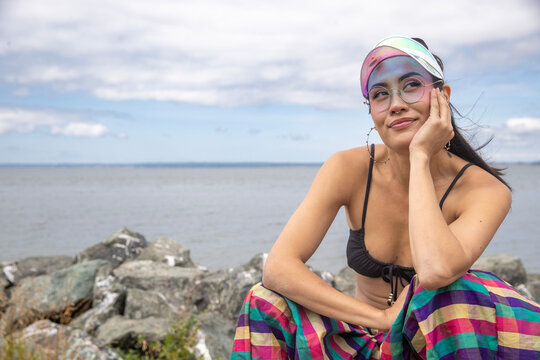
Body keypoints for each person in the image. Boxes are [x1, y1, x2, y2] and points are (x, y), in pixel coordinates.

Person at [231, 36, 540, 359]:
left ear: (442, 97)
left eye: (410, 86)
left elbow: (435, 271)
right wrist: (379, 319)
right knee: (263, 298)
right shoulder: (347, 167)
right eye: (381, 94)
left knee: (457, 293)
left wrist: (420, 156)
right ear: (372, 112)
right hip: (360, 342)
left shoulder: (485, 190)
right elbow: (278, 268)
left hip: (433, 345)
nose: (396, 104)